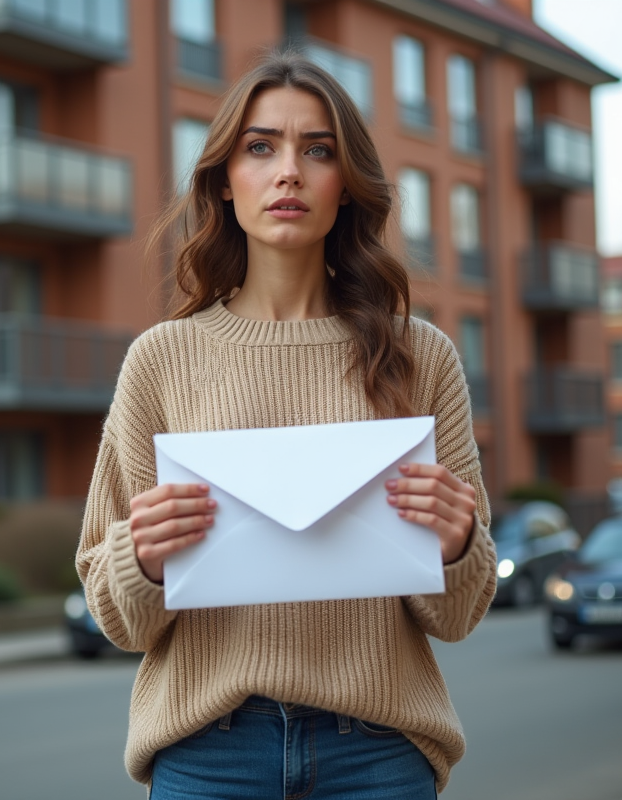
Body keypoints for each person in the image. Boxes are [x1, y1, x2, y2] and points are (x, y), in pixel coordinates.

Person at [76, 51, 496, 799]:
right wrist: (138, 559)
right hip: (208, 752)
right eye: (261, 146)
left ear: (347, 186)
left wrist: (460, 542)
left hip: (377, 752)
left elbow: (457, 616)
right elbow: (117, 620)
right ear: (224, 181)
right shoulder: (160, 362)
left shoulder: (420, 355)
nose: (289, 172)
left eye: (319, 150)